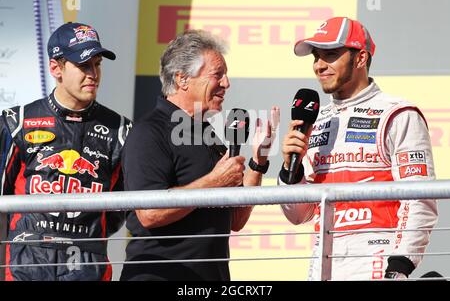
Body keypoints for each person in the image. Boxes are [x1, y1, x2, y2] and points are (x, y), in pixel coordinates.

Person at [279, 17, 438, 280]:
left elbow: (420, 198)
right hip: (322, 264)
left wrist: (400, 266)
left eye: (330, 55)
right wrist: (290, 172)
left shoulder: (397, 114)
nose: (319, 65)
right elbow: (300, 215)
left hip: (376, 262)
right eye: (316, 57)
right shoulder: (316, 122)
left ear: (361, 58)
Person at [120, 29, 278, 281]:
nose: (226, 83)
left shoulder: (207, 133)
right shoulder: (149, 131)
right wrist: (213, 182)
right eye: (218, 74)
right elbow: (149, 213)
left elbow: (236, 219)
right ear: (182, 79)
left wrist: (258, 163)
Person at [0, 22, 132, 281]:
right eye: (83, 65)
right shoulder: (16, 123)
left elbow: (121, 210)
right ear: (55, 68)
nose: (93, 74)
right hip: (25, 268)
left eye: (97, 64)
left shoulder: (122, 130)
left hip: (88, 269)